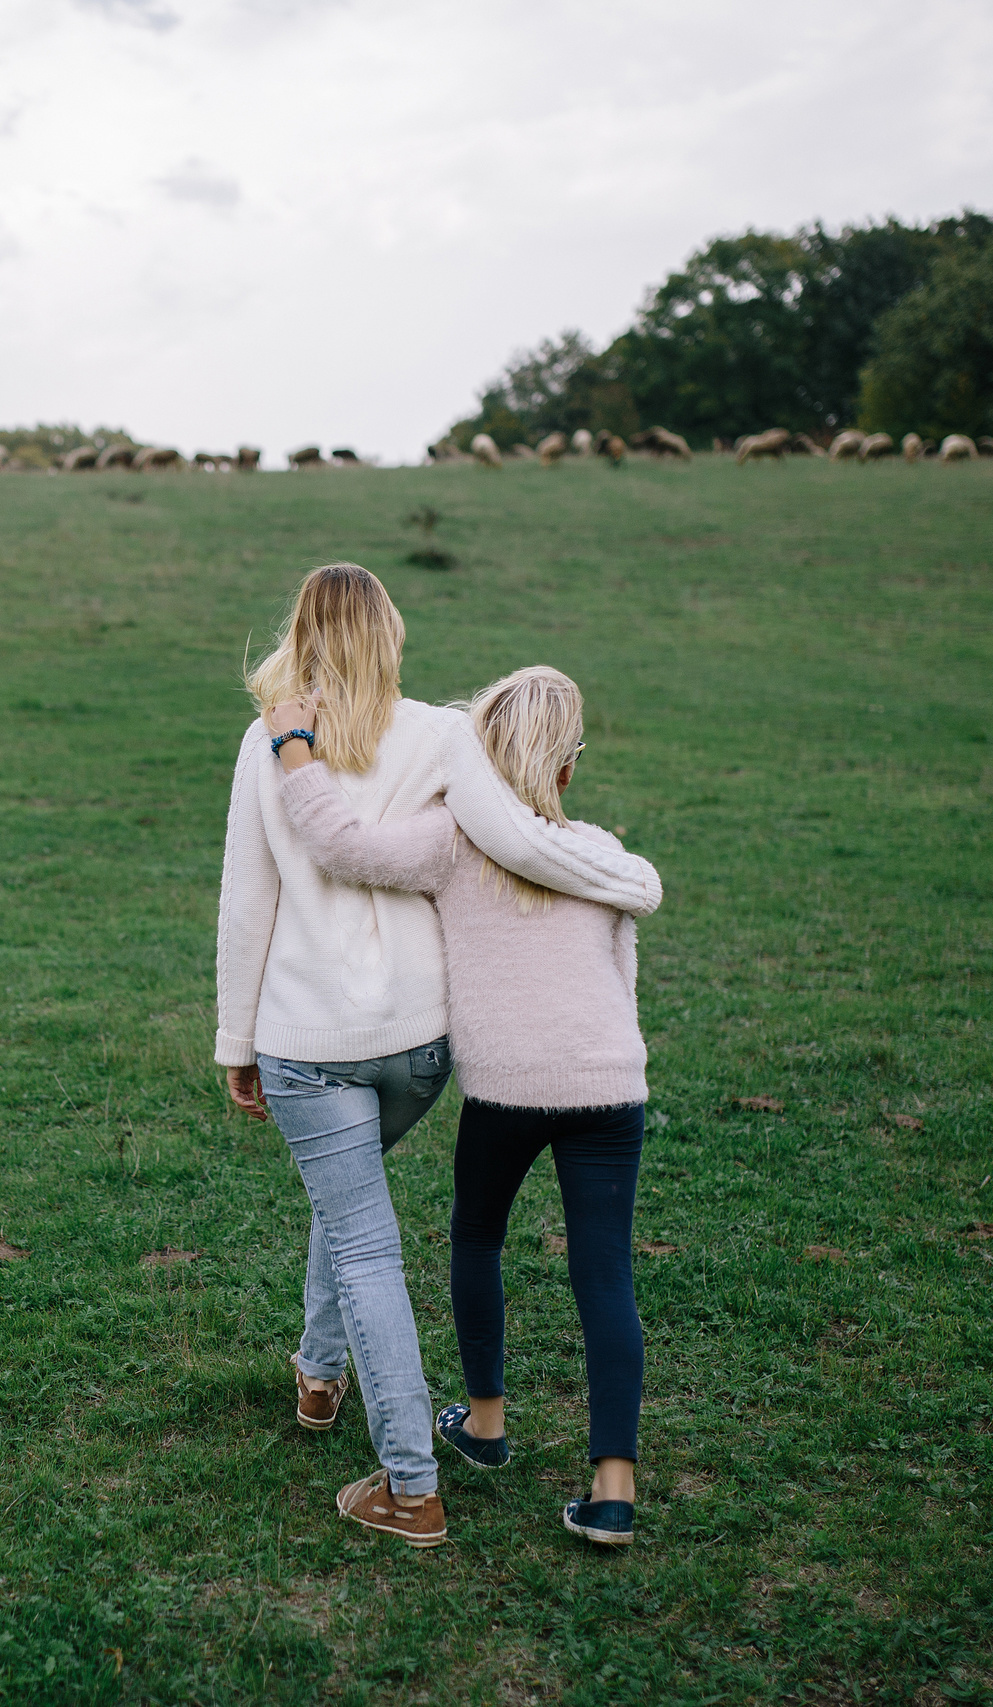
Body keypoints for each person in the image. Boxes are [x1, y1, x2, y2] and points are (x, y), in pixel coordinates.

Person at [216, 566, 662, 1549]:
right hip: (418, 1047)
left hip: (308, 1038)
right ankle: (320, 1375)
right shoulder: (438, 734)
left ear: (298, 634)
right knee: (353, 1200)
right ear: (394, 633)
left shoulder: (269, 740)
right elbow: (525, 836)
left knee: (365, 1235)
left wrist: (232, 1040)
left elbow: (252, 899)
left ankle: (412, 1487)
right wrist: (625, 873)